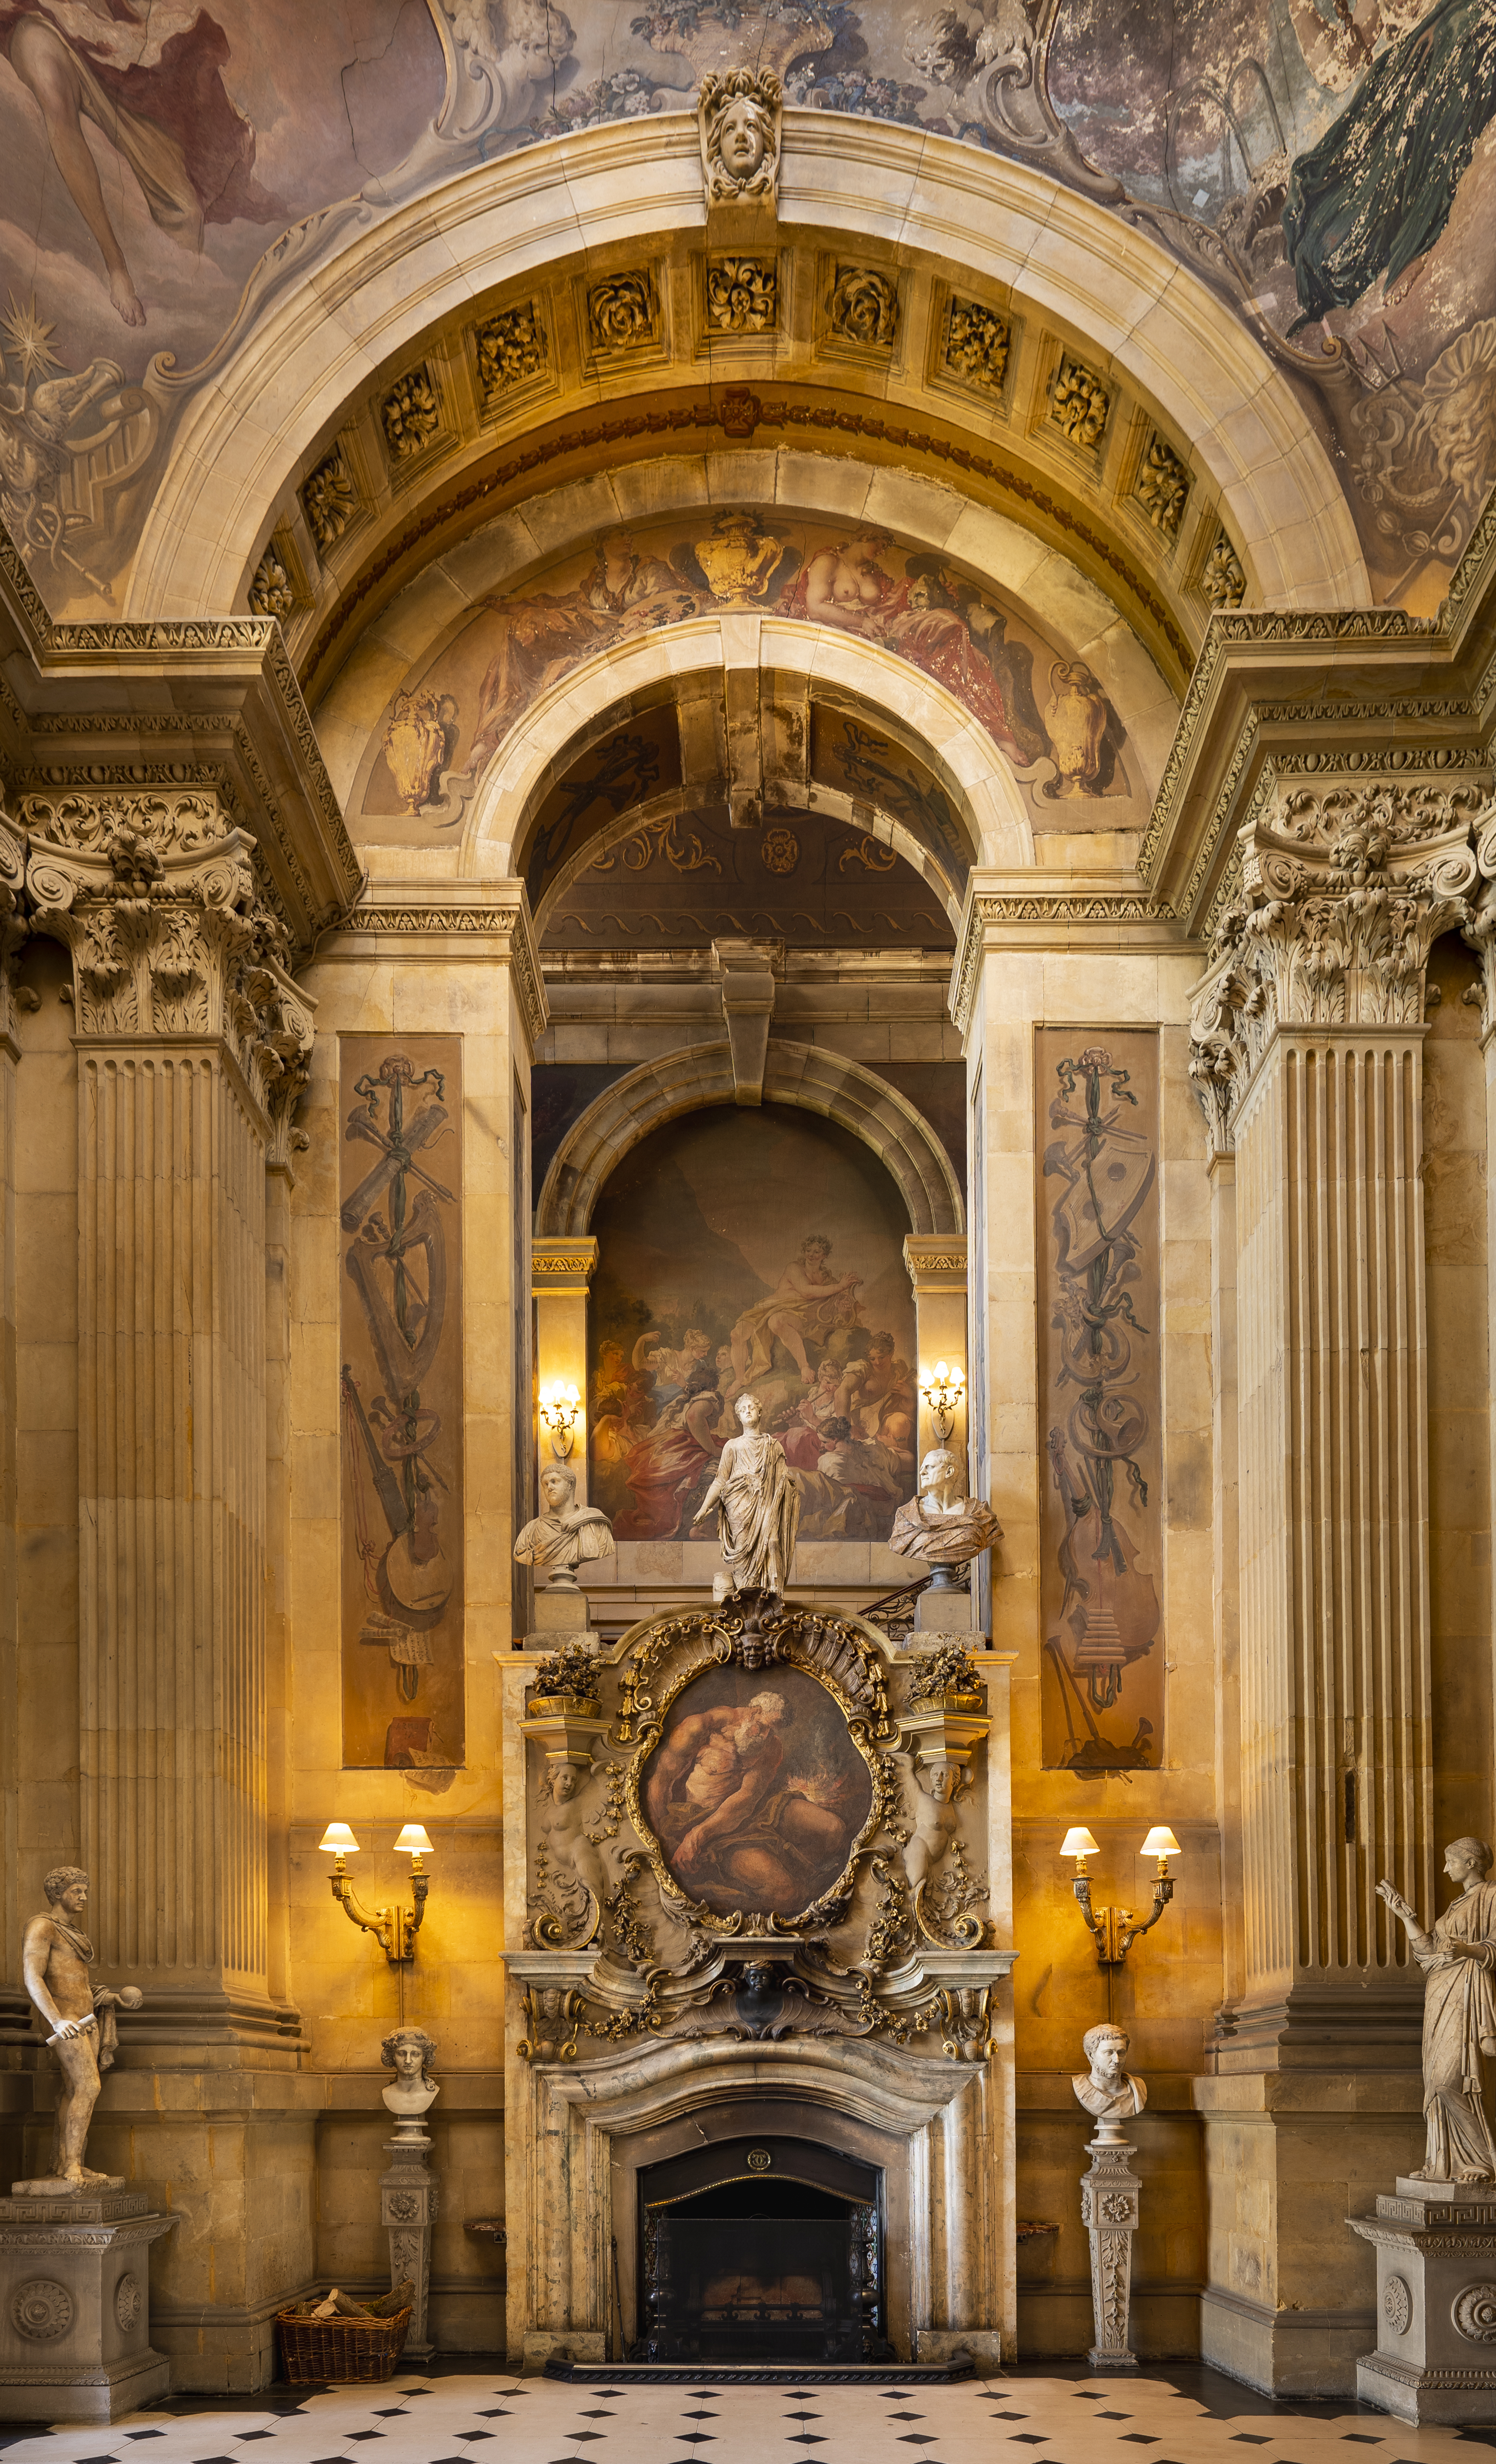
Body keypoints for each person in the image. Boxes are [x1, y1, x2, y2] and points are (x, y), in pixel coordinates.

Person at [0, 1, 282, 329]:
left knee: (185, 208)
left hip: (99, 30)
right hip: (31, 19)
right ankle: (116, 265)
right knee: (48, 79)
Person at [644, 1690, 849, 1908]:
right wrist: (665, 1842)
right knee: (785, 1891)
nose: (764, 1736)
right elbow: (659, 1783)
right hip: (703, 1820)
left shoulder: (771, 1746)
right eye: (762, 1727)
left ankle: (800, 1872)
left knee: (834, 1829)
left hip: (754, 1809)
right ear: (753, 1712)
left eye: (772, 1731)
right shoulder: (701, 1727)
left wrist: (697, 1836)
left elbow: (747, 1799)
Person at [1379, 1837, 1496, 2182]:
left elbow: (1493, 1946)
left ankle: (1481, 2161)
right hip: (1439, 1994)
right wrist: (1404, 1916)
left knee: (1452, 2079)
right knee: (1435, 2081)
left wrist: (1468, 1950)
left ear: (1471, 1863)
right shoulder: (1456, 1904)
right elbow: (1429, 1952)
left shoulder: (1491, 1896)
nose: (1445, 1869)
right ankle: (1443, 2164)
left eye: (1451, 1862)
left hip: (1467, 1992)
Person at [20, 1866, 142, 2188]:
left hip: (85, 2020)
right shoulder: (42, 1926)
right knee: (89, 2087)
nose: (84, 1897)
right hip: (66, 2022)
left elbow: (77, 1984)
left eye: (85, 1891)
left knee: (74, 2091)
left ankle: (68, 2163)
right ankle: (72, 2164)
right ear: (58, 1893)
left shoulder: (72, 1932)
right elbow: (33, 1976)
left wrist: (114, 1998)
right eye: (77, 1891)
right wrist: (56, 2020)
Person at [691, 1388, 801, 1595]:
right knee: (743, 1551)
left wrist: (788, 1485)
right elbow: (720, 1480)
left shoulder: (773, 1446)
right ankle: (745, 1597)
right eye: (743, 1410)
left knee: (773, 1542)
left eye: (751, 1408)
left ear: (760, 1413)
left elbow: (783, 1480)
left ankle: (772, 1595)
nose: (748, 1411)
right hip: (739, 1505)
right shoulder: (732, 1446)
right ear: (739, 1417)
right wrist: (705, 1507)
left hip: (767, 1503)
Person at [729, 1232, 863, 1385]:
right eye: (808, 1251)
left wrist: (841, 1303)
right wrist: (840, 1286)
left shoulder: (827, 1279)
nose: (811, 1255)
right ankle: (739, 1379)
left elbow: (829, 1305)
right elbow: (806, 1291)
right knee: (736, 1334)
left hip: (801, 1315)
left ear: (824, 1255)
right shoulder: (794, 1268)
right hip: (770, 1307)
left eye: (817, 1252)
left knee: (776, 1321)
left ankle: (804, 1367)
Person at [890, 1447, 1003, 1585]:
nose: (922, 1472)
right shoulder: (907, 1517)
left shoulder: (979, 1513)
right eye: (922, 1468)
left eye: (929, 1467)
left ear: (949, 1472)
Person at [512, 1461, 614, 1590]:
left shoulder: (594, 1524)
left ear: (570, 1484)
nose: (549, 1487)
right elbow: (521, 1554)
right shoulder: (531, 1530)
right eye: (545, 1484)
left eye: (555, 1482)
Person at [1072, 2023, 1148, 2128]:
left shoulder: (1138, 2089)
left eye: (1121, 2053)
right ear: (1091, 2055)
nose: (1117, 2060)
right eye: (1109, 2053)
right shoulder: (1081, 2087)